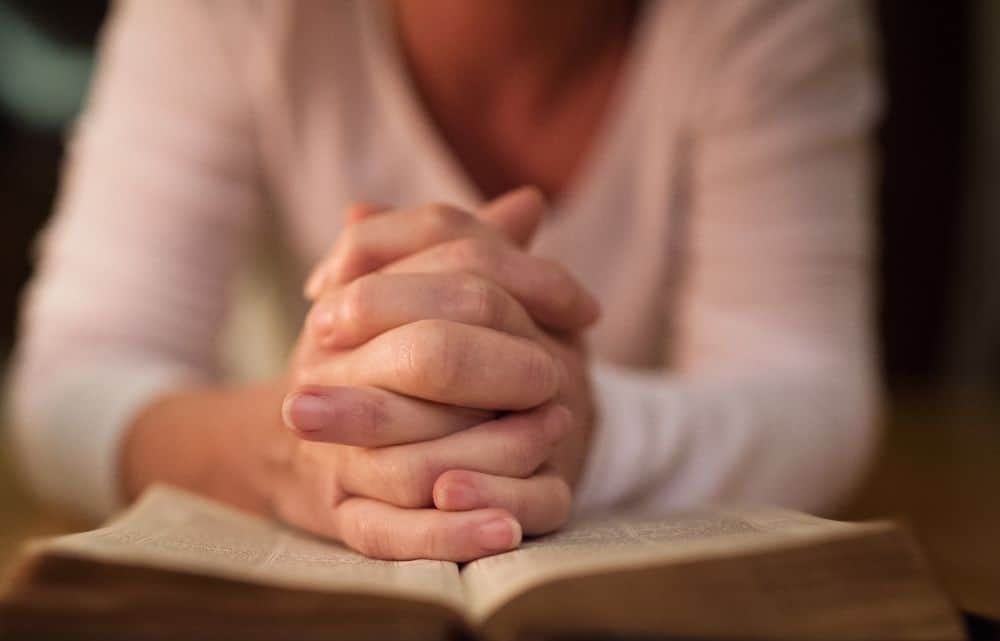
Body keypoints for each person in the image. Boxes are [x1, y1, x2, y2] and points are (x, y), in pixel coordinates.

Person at [8, 0, 883, 562]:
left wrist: (574, 426)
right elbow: (67, 384)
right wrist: (299, 451)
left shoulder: (769, 19)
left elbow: (813, 394)